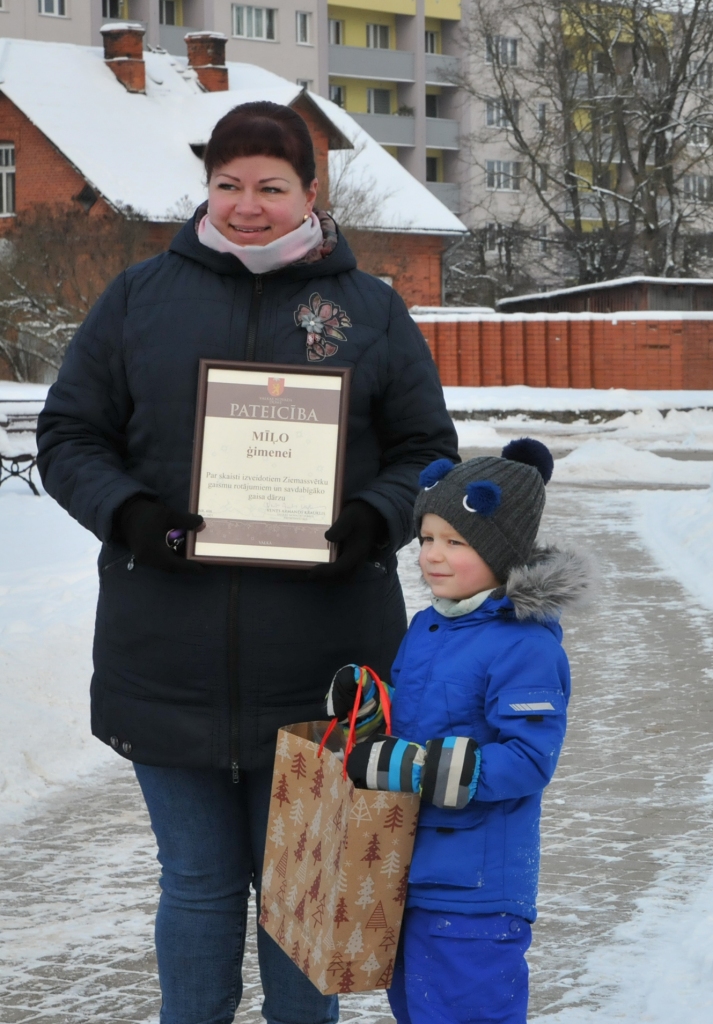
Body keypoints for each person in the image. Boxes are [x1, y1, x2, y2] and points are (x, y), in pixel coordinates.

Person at [36, 101, 458, 1024]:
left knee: (302, 888)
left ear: (310, 191)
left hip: (323, 666)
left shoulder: (369, 310)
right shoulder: (139, 299)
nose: (247, 206)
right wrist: (133, 514)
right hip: (166, 656)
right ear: (207, 189)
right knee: (195, 885)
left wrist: (370, 522)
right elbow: (68, 435)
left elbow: (426, 452)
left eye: (270, 186)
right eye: (228, 185)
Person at [326, 438, 594, 1024]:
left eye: (457, 542)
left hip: (477, 887)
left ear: (503, 553)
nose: (433, 556)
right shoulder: (427, 625)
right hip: (409, 871)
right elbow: (421, 717)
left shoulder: (524, 644)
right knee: (417, 1009)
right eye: (425, 539)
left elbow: (527, 757)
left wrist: (421, 768)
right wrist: (372, 705)